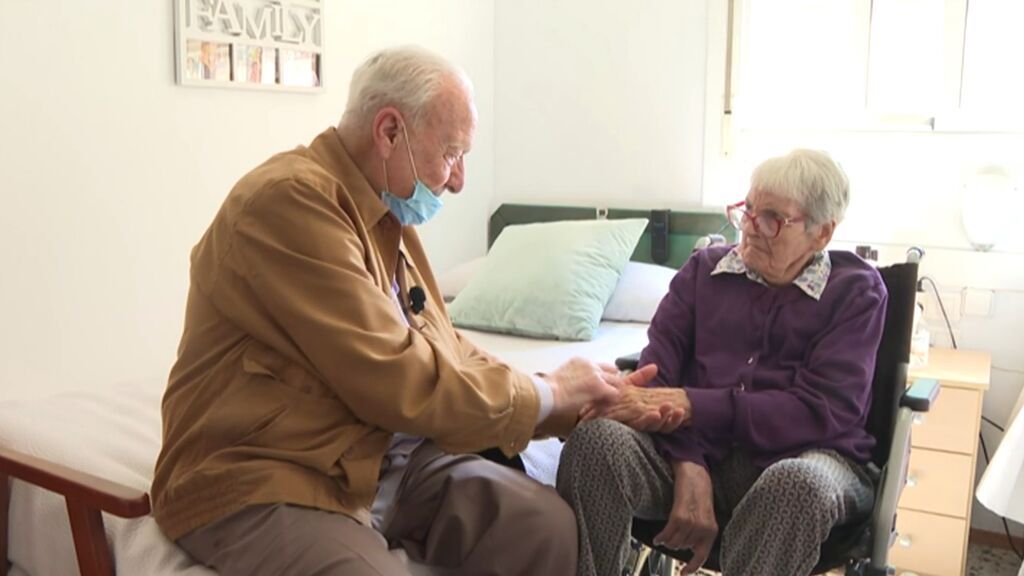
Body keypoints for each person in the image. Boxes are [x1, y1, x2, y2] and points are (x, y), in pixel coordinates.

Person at [152, 46, 659, 576]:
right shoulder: (288, 202)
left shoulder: (388, 222)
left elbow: (448, 349)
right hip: (279, 470)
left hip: (382, 461)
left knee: (545, 525)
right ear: (390, 132)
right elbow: (397, 374)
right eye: (452, 153)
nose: (459, 180)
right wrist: (550, 393)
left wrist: (566, 400)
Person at [558, 149, 887, 576]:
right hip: (695, 449)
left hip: (808, 456)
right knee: (597, 442)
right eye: (747, 210)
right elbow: (655, 379)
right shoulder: (703, 271)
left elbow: (822, 411)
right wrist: (688, 461)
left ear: (822, 233)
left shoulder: (856, 292)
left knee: (794, 487)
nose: (751, 227)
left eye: (773, 219)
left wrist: (696, 406)